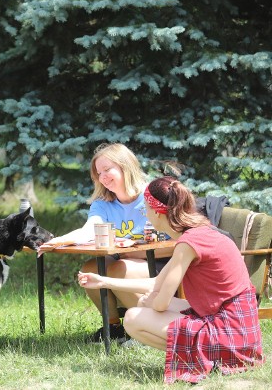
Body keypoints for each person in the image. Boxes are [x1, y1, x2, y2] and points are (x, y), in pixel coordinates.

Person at [78, 176, 264, 384]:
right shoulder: (198, 232)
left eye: (146, 208)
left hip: (230, 332)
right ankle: (204, 355)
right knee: (142, 303)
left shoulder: (187, 243)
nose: (145, 213)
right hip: (238, 326)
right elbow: (156, 283)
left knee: (132, 318)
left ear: (157, 213)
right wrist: (104, 282)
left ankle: (210, 359)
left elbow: (161, 301)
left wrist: (153, 301)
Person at [38, 143, 174, 343]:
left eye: (107, 169)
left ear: (125, 167)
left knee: (119, 268)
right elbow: (89, 229)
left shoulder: (152, 194)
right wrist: (59, 240)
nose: (102, 177)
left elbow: (179, 238)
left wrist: (133, 251)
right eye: (98, 173)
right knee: (90, 268)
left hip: (164, 260)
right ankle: (114, 327)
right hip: (128, 258)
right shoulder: (103, 203)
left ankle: (147, 327)